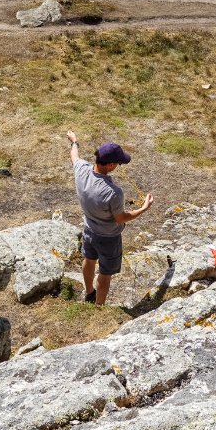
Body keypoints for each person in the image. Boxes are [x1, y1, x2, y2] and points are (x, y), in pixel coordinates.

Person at [66, 131, 153, 306]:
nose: (119, 166)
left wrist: (74, 141)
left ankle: (89, 292)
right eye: (119, 163)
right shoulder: (113, 193)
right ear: (111, 165)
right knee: (105, 274)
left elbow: (74, 155)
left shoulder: (81, 170)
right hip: (108, 238)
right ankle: (99, 308)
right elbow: (121, 218)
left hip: (89, 229)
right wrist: (143, 208)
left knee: (88, 260)